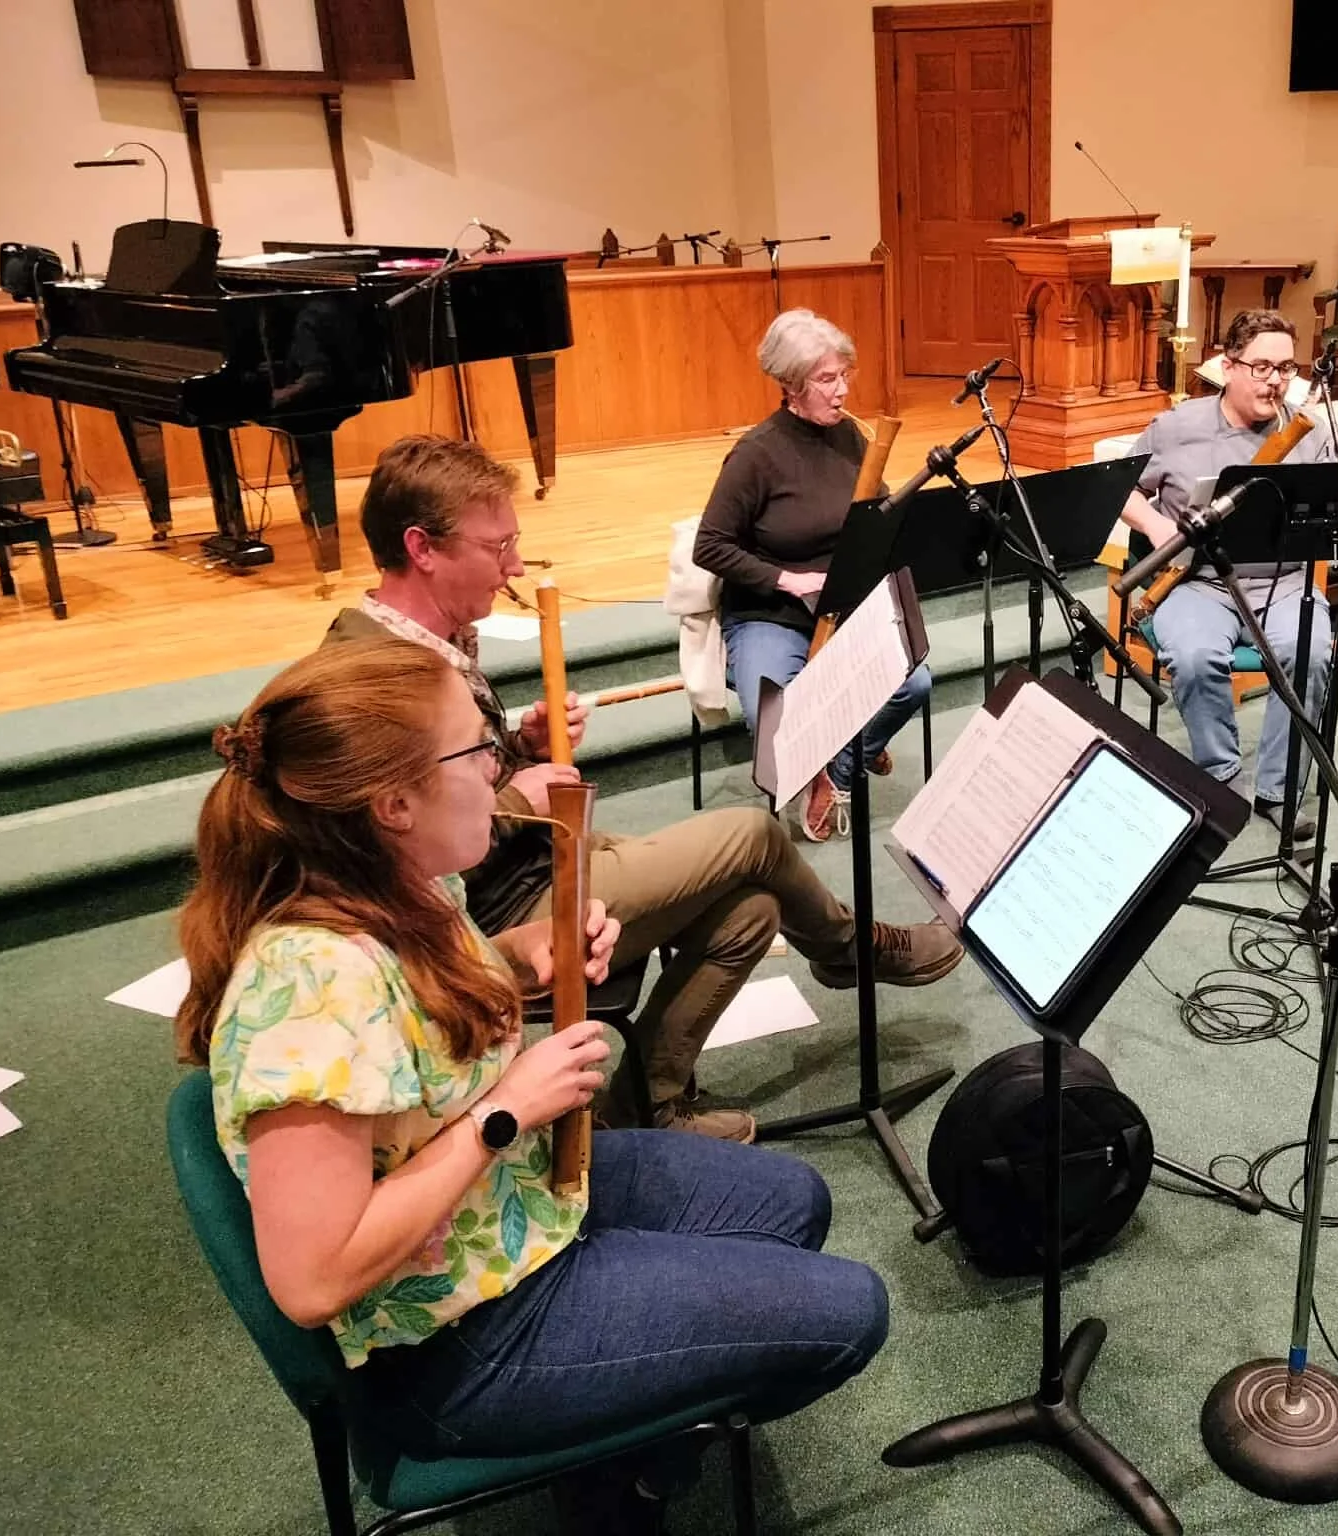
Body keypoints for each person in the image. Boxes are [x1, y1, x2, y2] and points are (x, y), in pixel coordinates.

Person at [175, 640, 888, 1528]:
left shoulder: (405, 881)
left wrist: (522, 954)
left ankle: (617, 1444)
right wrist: (504, 1113)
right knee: (851, 1313)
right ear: (393, 803)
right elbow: (313, 1281)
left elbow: (420, 1016)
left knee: (793, 1203)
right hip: (454, 1341)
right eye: (477, 749)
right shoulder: (311, 992)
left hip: (509, 1212)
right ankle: (625, 1486)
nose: (499, 768)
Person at [325, 435, 962, 1143]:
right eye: (497, 546)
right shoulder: (369, 678)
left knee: (751, 910)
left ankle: (644, 1104)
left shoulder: (429, 643)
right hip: (498, 911)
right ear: (421, 548)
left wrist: (516, 748)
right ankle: (848, 948)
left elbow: (442, 780)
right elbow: (382, 852)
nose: (513, 568)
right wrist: (514, 801)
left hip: (537, 858)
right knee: (753, 834)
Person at [694, 309, 933, 842]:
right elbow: (709, 546)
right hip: (770, 611)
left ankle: (840, 771)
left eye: (845, 375)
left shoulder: (852, 437)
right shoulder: (756, 455)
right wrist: (788, 579)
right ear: (791, 384)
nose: (842, 390)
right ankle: (832, 750)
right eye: (827, 379)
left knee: (913, 682)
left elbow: (874, 517)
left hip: (841, 603)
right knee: (774, 725)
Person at [1117, 308, 1338, 840]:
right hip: (1196, 582)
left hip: (1282, 580)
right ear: (1228, 366)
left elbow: (1334, 508)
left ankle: (1278, 790)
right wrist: (1155, 525)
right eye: (1261, 367)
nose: (1274, 381)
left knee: (1310, 652)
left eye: (1285, 369)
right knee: (1195, 658)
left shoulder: (1308, 433)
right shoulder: (1178, 426)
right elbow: (1120, 490)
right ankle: (1220, 776)